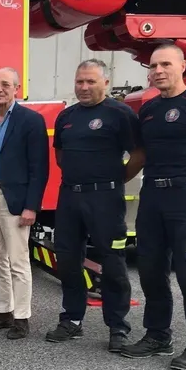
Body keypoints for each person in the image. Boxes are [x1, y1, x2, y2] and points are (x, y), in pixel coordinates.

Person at [121, 44, 186, 370]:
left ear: (183, 65)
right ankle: (158, 335)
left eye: (165, 64)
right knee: (151, 270)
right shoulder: (148, 110)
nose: (158, 70)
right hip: (153, 198)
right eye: (153, 65)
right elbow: (139, 156)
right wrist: (116, 181)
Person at [45, 60, 136, 351]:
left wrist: (115, 178)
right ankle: (72, 319)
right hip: (70, 195)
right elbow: (60, 153)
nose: (84, 87)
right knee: (68, 260)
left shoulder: (120, 113)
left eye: (91, 82)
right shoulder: (66, 116)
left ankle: (118, 326)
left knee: (113, 262)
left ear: (105, 83)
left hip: (105, 198)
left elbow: (139, 152)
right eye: (80, 82)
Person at [0, 67, 50, 340]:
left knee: (18, 261)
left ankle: (21, 317)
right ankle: (4, 312)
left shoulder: (31, 121)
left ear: (17, 88)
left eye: (5, 84)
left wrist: (32, 206)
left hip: (15, 200)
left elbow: (39, 168)